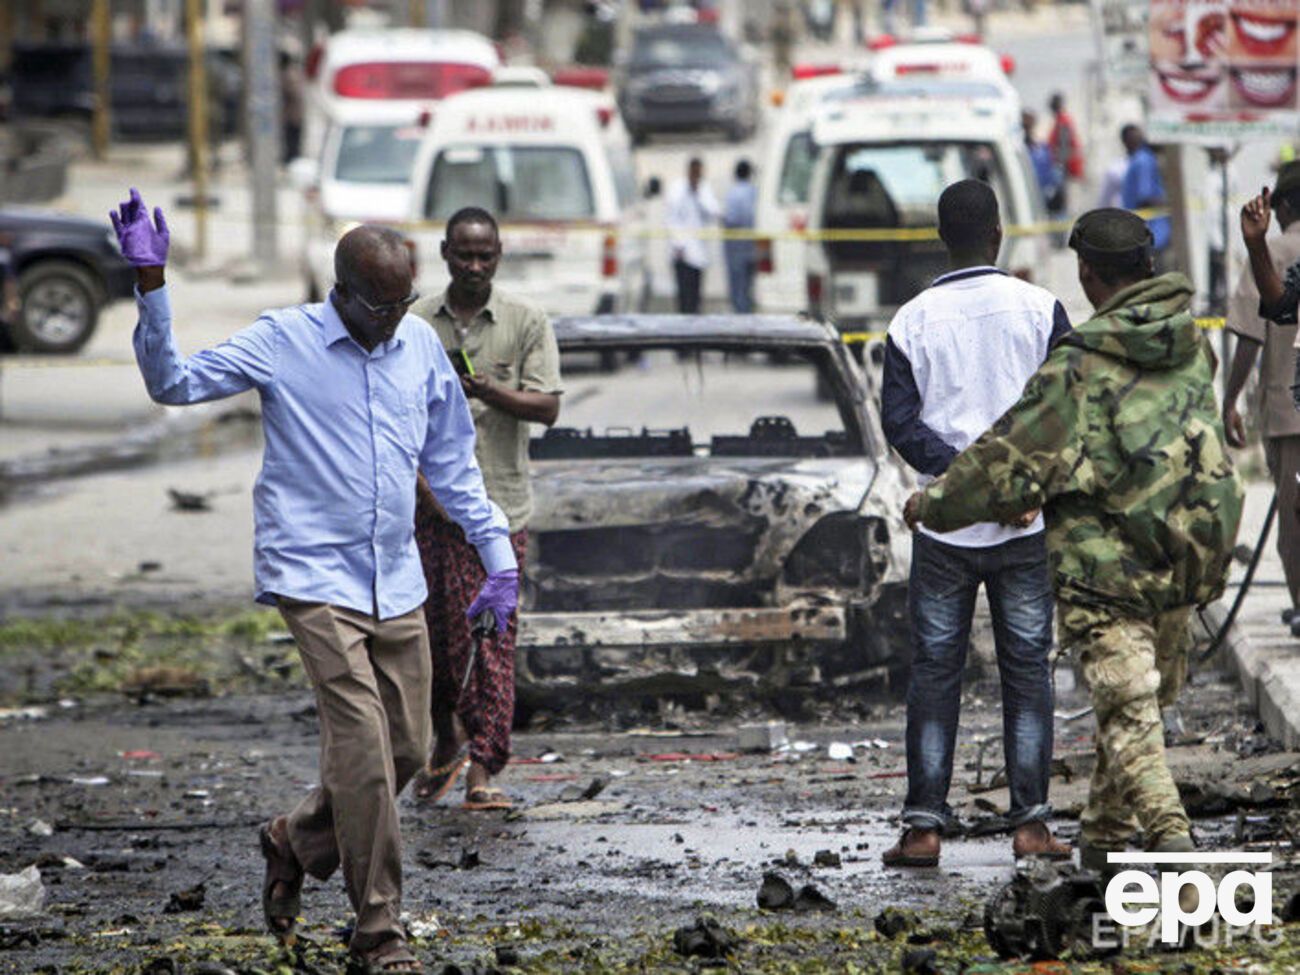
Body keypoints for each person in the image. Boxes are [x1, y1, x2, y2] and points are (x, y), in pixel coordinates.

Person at [113, 188, 518, 975]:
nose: (396, 320)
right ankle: (379, 932)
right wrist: (152, 282)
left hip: (395, 579)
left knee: (407, 748)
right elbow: (174, 383)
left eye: (406, 304)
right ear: (342, 292)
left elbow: (451, 463)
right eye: (382, 306)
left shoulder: (420, 348)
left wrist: (497, 551)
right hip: (313, 577)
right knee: (363, 750)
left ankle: (294, 838)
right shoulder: (284, 339)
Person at [904, 207, 1243, 875]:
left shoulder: (1079, 367)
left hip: (1105, 573)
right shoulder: (1190, 344)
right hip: (1183, 560)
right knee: (1139, 709)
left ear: (1087, 273)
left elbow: (1008, 460)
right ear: (1148, 268)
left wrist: (933, 504)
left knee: (1131, 718)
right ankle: (1102, 838)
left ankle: (1173, 845)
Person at [880, 179, 1073, 868]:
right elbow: (1067, 411)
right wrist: (1020, 485)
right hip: (1025, 529)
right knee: (1027, 674)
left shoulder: (911, 321)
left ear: (942, 239)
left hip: (945, 534)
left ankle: (925, 828)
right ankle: (1030, 825)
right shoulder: (1040, 307)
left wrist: (962, 481)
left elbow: (901, 424)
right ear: (998, 235)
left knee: (935, 674)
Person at [410, 208, 562, 810]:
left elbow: (547, 407)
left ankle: (483, 770)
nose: (474, 266)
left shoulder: (525, 321)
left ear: (498, 256)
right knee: (433, 643)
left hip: (499, 513)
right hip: (428, 515)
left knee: (491, 643)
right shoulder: (416, 322)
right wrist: (427, 495)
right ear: (446, 253)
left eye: (485, 256)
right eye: (464, 255)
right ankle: (445, 739)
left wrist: (488, 392)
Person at [1225, 164, 1300, 635]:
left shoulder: (1275, 251)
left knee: (1294, 520)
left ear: (1283, 207)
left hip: (1287, 411)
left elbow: (1253, 332)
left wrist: (1230, 400)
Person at [666, 157, 720, 315]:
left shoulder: (704, 189)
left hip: (698, 252)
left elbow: (713, 212)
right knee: (684, 295)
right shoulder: (677, 188)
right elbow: (671, 218)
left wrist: (697, 194)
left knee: (695, 296)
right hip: (681, 252)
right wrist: (678, 244)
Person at [1121, 124, 1171, 256]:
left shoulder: (1137, 160)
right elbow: (1145, 198)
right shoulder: (1144, 161)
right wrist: (1173, 204)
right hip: (1152, 235)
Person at [722, 159, 758, 314]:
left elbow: (731, 219)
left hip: (736, 247)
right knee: (749, 287)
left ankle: (741, 321)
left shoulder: (733, 194)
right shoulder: (756, 192)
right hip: (753, 246)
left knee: (738, 289)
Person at [1047, 93, 1083, 230]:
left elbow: (1064, 148)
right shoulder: (1061, 121)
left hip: (1067, 171)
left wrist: (1060, 167)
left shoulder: (1063, 122)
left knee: (1066, 205)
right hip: (1066, 170)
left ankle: (1065, 234)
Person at [1023, 110, 1061, 216]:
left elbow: (1051, 176)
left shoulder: (1042, 149)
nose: (1028, 127)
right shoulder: (1016, 148)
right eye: (1025, 124)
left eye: (1029, 124)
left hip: (1041, 198)